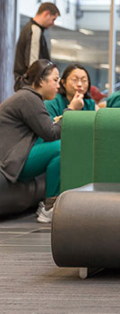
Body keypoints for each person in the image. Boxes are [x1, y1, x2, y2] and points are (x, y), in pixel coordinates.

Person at [1, 60, 62, 223]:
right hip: (10, 163)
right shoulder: (29, 98)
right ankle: (50, 207)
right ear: (41, 80)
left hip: (12, 158)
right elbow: (52, 133)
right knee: (60, 148)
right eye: (55, 80)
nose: (58, 86)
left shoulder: (26, 96)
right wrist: (69, 114)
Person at [14, 3, 60, 81]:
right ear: (46, 14)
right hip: (30, 83)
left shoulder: (30, 28)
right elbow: (32, 63)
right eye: (53, 19)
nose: (53, 24)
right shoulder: (35, 30)